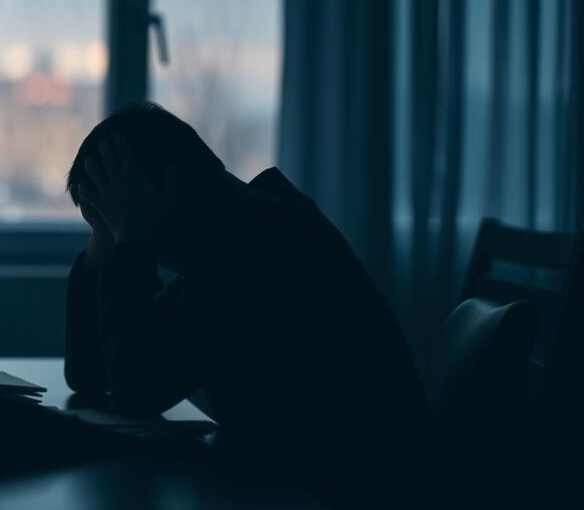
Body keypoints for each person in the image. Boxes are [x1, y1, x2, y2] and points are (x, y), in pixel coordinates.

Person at [64, 102, 429, 494]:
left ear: (164, 184)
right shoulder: (235, 231)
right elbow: (91, 375)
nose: (113, 232)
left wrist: (131, 239)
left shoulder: (264, 244)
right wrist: (104, 248)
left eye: (112, 217)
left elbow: (136, 387)